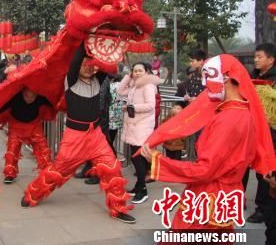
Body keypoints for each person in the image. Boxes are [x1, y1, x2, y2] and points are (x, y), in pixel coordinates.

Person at [141, 54, 276, 231]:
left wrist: (159, 162)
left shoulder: (230, 118)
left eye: (208, 76)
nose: (204, 84)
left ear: (226, 77)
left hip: (210, 196)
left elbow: (205, 169)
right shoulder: (240, 113)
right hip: (224, 194)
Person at [21, 44, 136, 224]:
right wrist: (86, 37)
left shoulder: (98, 79)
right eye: (84, 63)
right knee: (57, 170)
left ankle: (119, 208)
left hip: (97, 136)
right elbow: (76, 60)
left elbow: (109, 62)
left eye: (91, 63)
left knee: (113, 169)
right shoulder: (71, 79)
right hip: (75, 138)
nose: (88, 66)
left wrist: (112, 43)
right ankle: (33, 193)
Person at [0, 87, 54, 184]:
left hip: (34, 125)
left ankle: (47, 172)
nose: (29, 98)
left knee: (43, 149)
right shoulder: (14, 98)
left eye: (33, 96)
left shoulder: (42, 98)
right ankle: (9, 173)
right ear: (22, 92)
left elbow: (55, 103)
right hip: (16, 126)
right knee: (12, 149)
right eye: (27, 95)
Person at [118, 62, 160, 204]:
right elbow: (119, 90)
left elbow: (150, 105)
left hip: (142, 127)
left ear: (147, 72)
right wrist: (127, 77)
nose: (136, 73)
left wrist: (132, 107)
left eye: (140, 71)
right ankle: (138, 186)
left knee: (138, 159)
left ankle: (142, 189)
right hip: (134, 126)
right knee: (135, 158)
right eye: (134, 71)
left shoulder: (148, 86)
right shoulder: (134, 86)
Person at [244, 42, 276, 224]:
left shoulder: (274, 79)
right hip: (249, 128)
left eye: (259, 57)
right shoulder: (252, 76)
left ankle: (263, 208)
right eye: (255, 57)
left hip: (270, 131)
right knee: (242, 165)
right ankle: (236, 199)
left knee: (264, 169)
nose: (256, 60)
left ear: (271, 59)